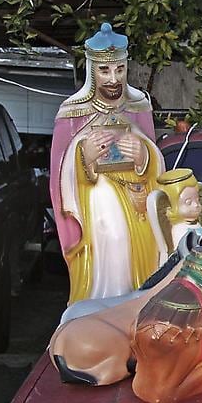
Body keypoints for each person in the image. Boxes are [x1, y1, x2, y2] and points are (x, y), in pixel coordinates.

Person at [50, 23, 165, 304]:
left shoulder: (138, 105)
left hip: (137, 207)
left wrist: (144, 155)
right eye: (105, 70)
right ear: (92, 70)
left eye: (119, 69)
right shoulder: (72, 111)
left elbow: (156, 165)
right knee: (112, 242)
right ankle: (99, 312)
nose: (113, 79)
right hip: (95, 211)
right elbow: (57, 177)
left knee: (137, 258)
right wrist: (84, 157)